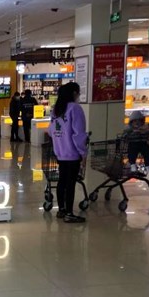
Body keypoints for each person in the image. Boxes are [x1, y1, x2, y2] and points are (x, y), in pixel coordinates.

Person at [49, 82, 89, 224]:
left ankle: (61, 209)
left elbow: (51, 131)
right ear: (74, 93)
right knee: (70, 183)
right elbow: (78, 134)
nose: (79, 95)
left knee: (62, 181)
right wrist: (83, 152)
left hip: (60, 152)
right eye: (78, 93)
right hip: (72, 153)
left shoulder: (56, 110)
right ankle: (70, 213)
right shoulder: (75, 108)